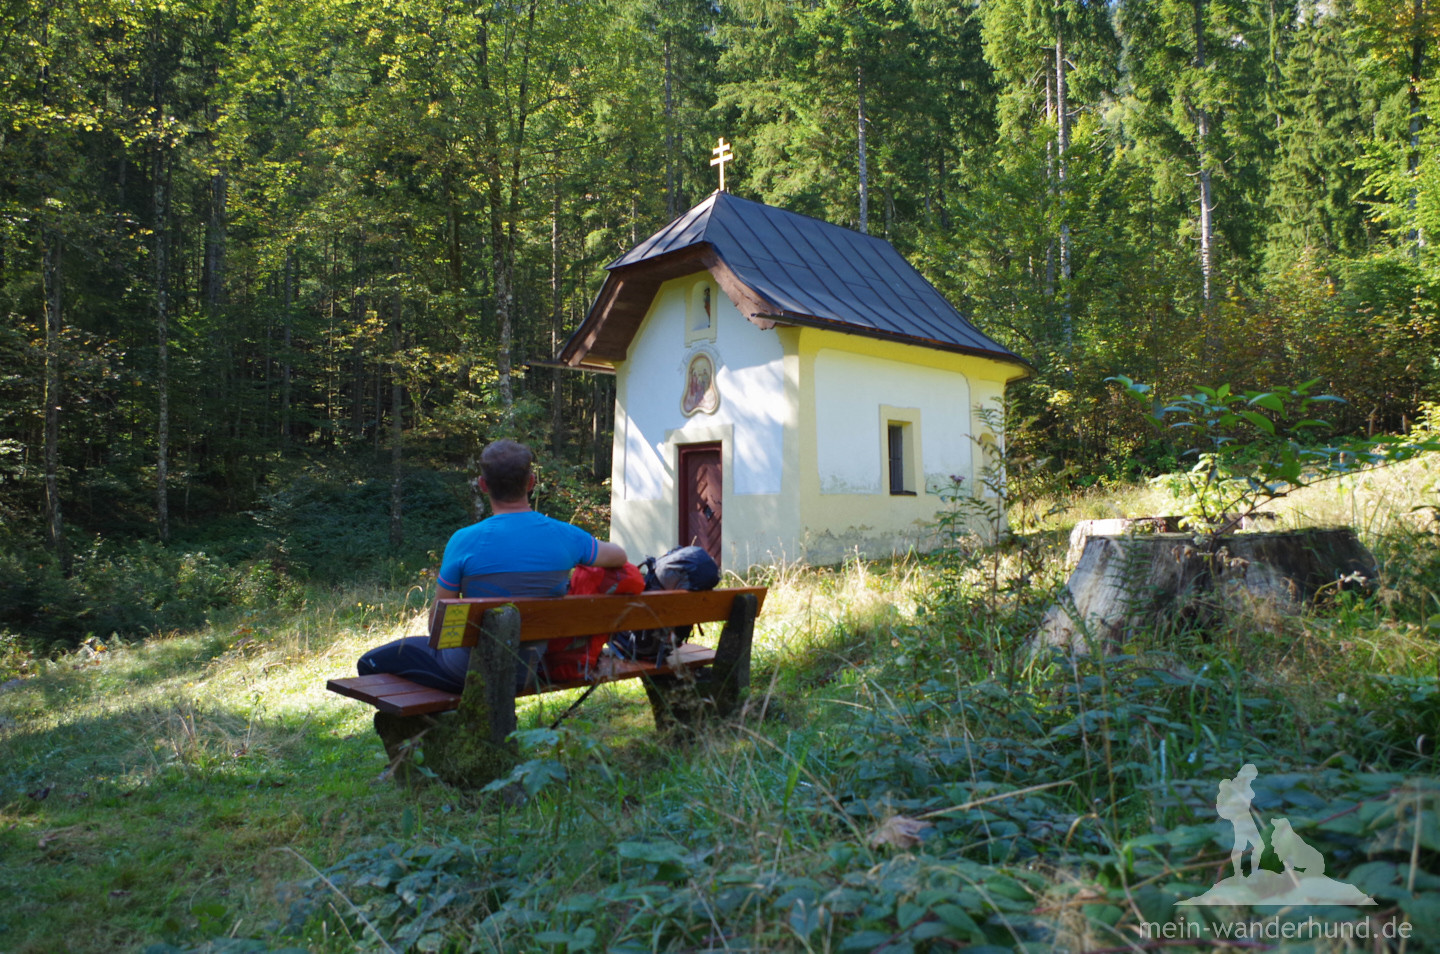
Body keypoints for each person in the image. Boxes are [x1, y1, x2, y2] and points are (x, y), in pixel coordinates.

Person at [357, 439, 627, 693]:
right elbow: (618, 556)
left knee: (369, 662)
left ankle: (445, 730)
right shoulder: (567, 536)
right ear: (531, 483)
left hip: (467, 672)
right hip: (525, 671)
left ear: (483, 485)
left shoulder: (464, 541)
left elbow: (436, 627)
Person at [1217, 763, 1263, 879]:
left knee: (1251, 845)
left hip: (1247, 819)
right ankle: (1239, 872)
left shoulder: (1248, 788)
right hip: (1240, 821)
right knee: (1243, 845)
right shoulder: (1235, 789)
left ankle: (1251, 871)